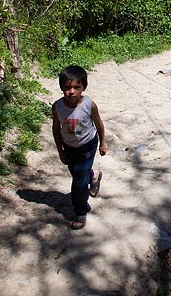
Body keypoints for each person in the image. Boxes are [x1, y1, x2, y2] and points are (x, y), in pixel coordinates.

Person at [52, 65, 107, 230]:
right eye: (67, 87)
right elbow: (56, 129)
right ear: (62, 88)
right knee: (79, 175)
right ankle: (94, 176)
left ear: (84, 87)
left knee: (78, 184)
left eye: (77, 87)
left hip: (88, 146)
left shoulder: (89, 106)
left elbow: (99, 125)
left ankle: (81, 211)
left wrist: (102, 143)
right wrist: (60, 151)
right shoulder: (57, 107)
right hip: (69, 147)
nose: (72, 91)